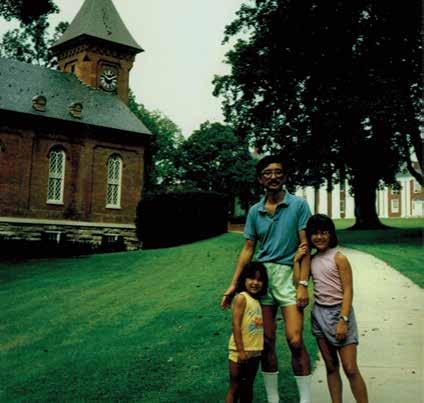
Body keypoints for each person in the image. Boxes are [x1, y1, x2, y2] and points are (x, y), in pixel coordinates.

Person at [221, 155, 313, 403]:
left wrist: (303, 285)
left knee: (295, 340)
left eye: (278, 172)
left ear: (285, 176)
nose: (273, 177)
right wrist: (233, 284)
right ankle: (274, 399)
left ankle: (305, 399)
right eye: (268, 173)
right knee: (267, 342)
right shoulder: (255, 211)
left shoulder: (298, 205)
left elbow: (306, 247)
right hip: (262, 280)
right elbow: (248, 249)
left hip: (289, 276)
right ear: (261, 179)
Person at [294, 214, 368, 403]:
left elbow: (348, 291)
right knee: (331, 366)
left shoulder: (339, 258)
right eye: (315, 233)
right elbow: (299, 283)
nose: (319, 237)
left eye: (324, 233)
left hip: (340, 313)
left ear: (331, 234)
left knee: (350, 368)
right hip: (319, 315)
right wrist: (297, 261)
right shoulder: (311, 260)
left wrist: (343, 320)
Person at [226, 261, 268, 403]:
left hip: (255, 352)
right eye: (251, 278)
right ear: (244, 279)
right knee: (235, 387)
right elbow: (236, 325)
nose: (255, 282)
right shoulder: (241, 298)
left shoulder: (257, 301)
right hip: (239, 352)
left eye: (259, 280)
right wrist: (241, 351)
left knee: (248, 387)